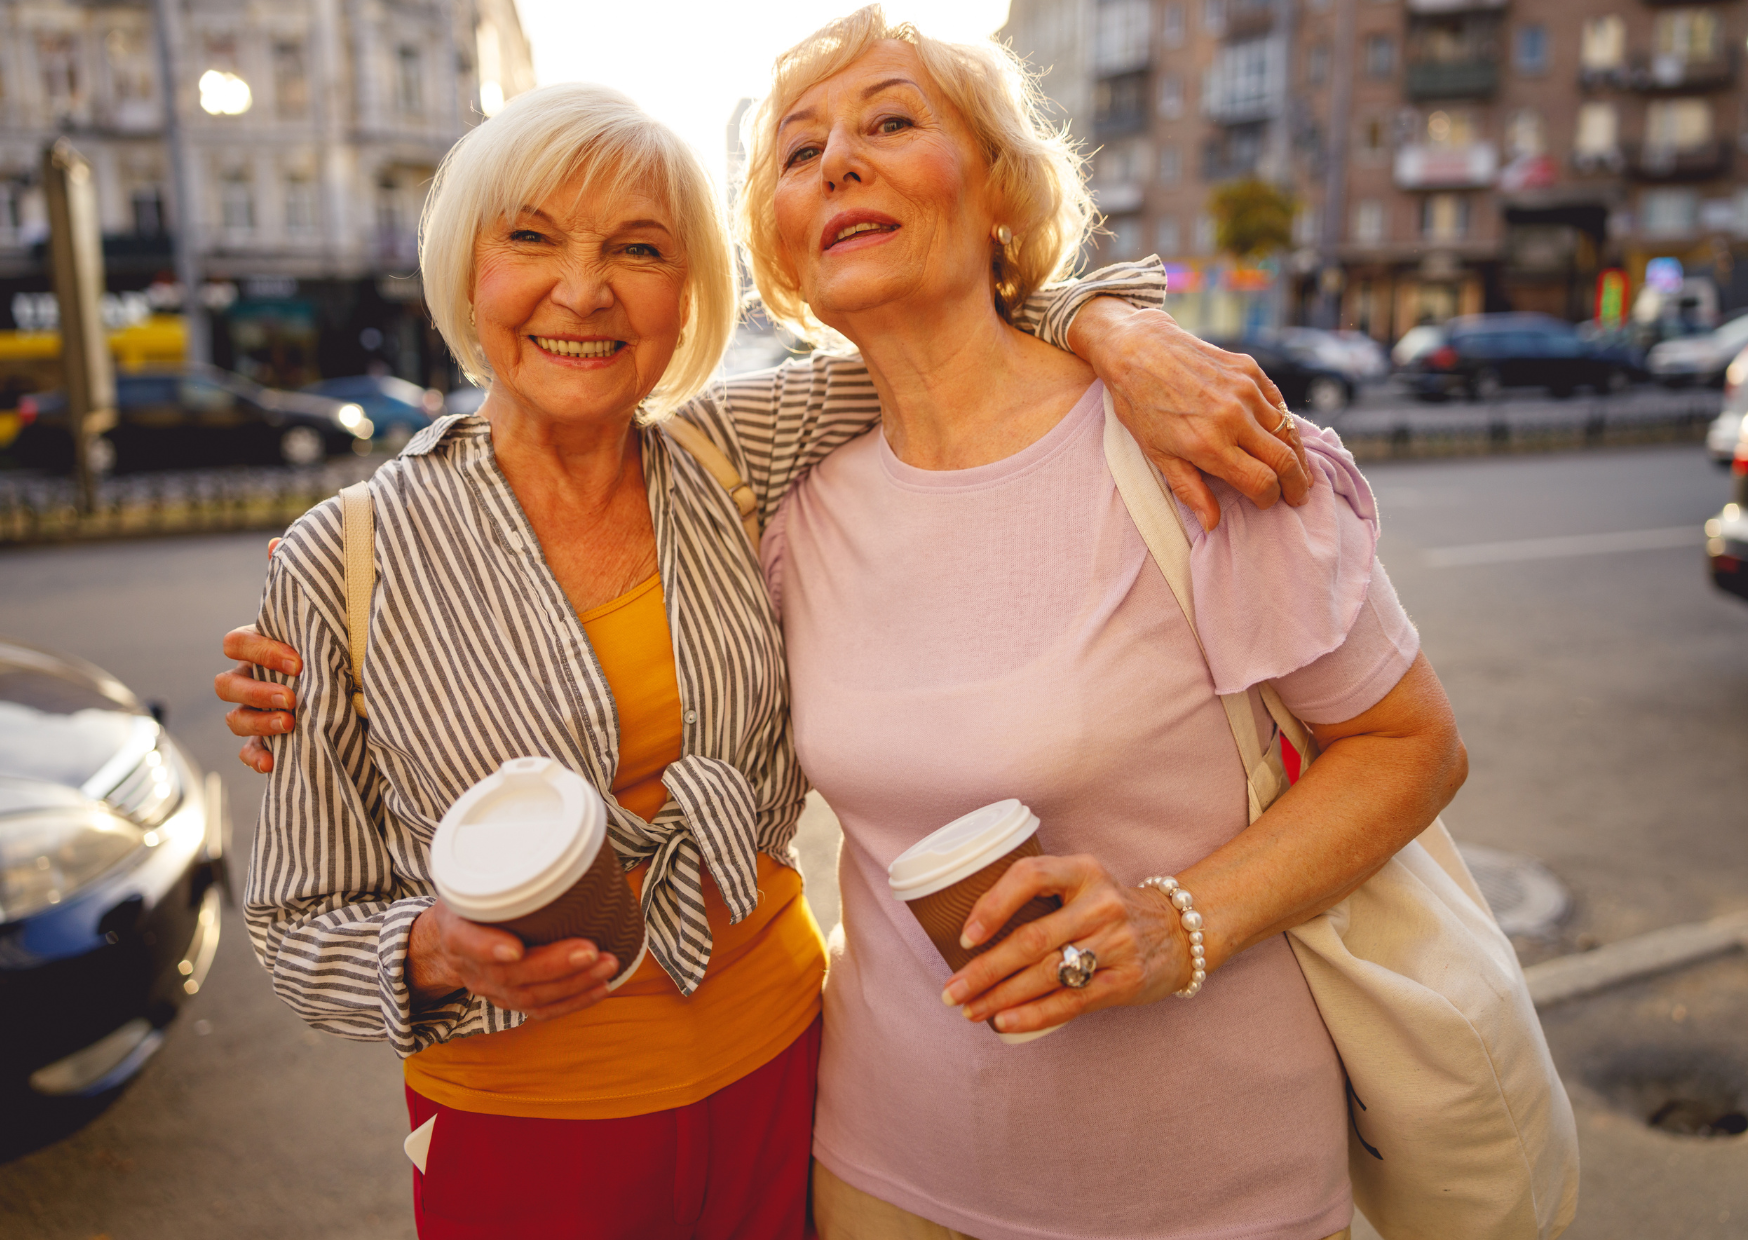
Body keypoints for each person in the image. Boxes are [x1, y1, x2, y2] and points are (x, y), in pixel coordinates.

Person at [216, 74, 1311, 1239]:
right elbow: (297, 921)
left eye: (637, 249)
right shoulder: (344, 559)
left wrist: (1114, 330)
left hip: (788, 1079)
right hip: (523, 1126)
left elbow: (947, 329)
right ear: (464, 268)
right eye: (529, 238)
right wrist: (432, 949)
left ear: (684, 290)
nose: (581, 291)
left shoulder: (739, 446)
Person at [729, 10, 1468, 1240]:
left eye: (892, 122)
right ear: (788, 250)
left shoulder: (1184, 444)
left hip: (1202, 1185)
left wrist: (1172, 923)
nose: (837, 162)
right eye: (798, 153)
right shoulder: (791, 511)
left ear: (999, 199)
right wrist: (308, 660)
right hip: (882, 1165)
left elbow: (1409, 747)